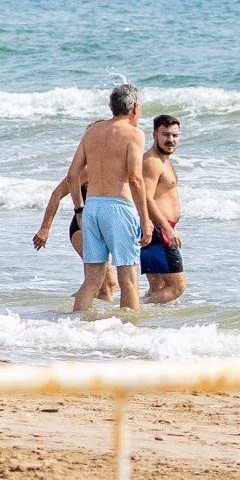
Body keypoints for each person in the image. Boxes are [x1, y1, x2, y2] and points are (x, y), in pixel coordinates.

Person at [58, 84, 167, 312]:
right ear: (135, 108)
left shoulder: (92, 132)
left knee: (92, 279)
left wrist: (79, 209)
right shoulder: (134, 134)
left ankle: (74, 326)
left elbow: (72, 175)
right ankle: (128, 334)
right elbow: (136, 179)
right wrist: (145, 220)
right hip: (118, 209)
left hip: (93, 207)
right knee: (128, 278)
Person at [32, 121, 116, 305]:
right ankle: (79, 319)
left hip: (100, 228)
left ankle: (70, 313)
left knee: (98, 284)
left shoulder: (112, 166)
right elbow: (57, 194)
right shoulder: (87, 169)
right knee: (106, 283)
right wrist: (45, 229)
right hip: (82, 229)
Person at [139, 114, 185, 305]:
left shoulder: (164, 160)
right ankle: (132, 310)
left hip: (158, 228)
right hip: (158, 230)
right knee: (177, 287)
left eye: (175, 135)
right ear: (155, 134)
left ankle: (137, 323)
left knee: (157, 287)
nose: (170, 140)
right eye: (165, 134)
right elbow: (146, 198)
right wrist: (167, 228)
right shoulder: (152, 162)